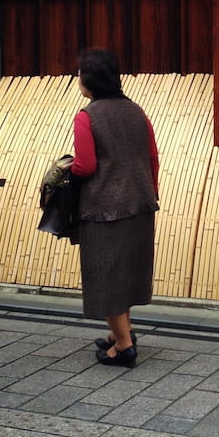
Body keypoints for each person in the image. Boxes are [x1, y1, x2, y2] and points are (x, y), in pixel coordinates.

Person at [70, 48, 159, 367]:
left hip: (104, 209)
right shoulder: (137, 111)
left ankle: (123, 346)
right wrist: (150, 193)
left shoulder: (87, 116)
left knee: (105, 275)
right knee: (127, 272)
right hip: (141, 203)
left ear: (89, 80)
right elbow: (152, 157)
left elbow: (85, 166)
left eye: (80, 73)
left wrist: (67, 168)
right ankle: (123, 330)